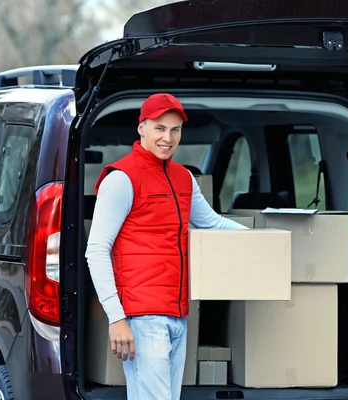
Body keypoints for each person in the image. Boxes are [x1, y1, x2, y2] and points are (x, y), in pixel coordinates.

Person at [85, 93, 248, 400]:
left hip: (178, 314)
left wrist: (264, 240)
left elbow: (211, 223)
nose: (168, 137)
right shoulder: (122, 179)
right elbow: (96, 250)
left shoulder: (184, 178)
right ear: (141, 128)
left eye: (175, 130)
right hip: (142, 317)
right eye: (159, 128)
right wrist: (116, 317)